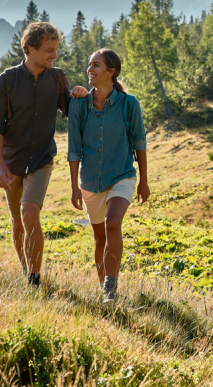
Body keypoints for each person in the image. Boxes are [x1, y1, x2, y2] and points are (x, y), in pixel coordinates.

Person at [0, 22, 88, 286]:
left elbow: (71, 111)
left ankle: (34, 278)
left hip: (42, 160)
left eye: (56, 49)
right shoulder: (7, 80)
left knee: (29, 212)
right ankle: (25, 270)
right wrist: (0, 165)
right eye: (48, 50)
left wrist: (78, 96)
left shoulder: (57, 78)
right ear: (30, 49)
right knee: (17, 221)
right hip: (12, 161)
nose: (54, 55)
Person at [67, 48, 149, 304]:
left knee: (113, 223)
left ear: (111, 72)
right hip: (90, 180)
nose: (90, 70)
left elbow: (140, 142)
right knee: (99, 236)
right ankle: (104, 287)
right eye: (89, 65)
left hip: (122, 175)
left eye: (96, 65)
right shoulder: (79, 105)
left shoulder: (129, 104)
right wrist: (73, 187)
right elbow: (73, 149)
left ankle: (110, 291)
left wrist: (143, 181)